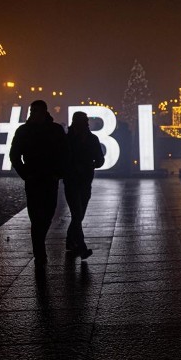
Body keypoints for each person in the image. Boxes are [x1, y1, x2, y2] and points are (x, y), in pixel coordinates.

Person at [9, 100, 69, 268]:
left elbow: (65, 154)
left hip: (49, 178)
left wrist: (59, 173)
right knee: (36, 216)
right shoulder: (24, 131)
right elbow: (14, 155)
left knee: (48, 213)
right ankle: (39, 250)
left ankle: (39, 243)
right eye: (32, 111)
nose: (33, 113)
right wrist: (25, 174)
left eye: (36, 111)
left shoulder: (55, 130)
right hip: (34, 178)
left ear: (44, 112)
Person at [64, 111, 105, 260]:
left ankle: (69, 240)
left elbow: (100, 160)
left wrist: (92, 165)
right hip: (73, 181)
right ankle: (81, 247)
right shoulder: (69, 139)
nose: (86, 124)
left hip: (84, 181)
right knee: (77, 214)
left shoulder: (70, 139)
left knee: (78, 215)